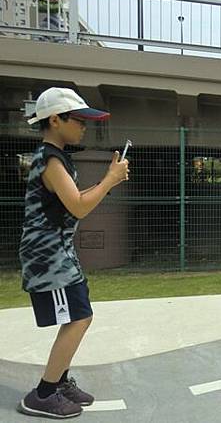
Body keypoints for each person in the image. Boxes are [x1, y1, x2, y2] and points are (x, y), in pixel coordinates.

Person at [17, 87, 129, 419]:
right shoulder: (50, 159)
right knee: (79, 317)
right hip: (47, 256)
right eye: (77, 119)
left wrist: (108, 182)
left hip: (57, 252)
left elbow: (73, 200)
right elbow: (79, 208)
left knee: (77, 315)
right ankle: (44, 393)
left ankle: (59, 382)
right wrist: (109, 180)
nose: (84, 126)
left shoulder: (56, 157)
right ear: (55, 120)